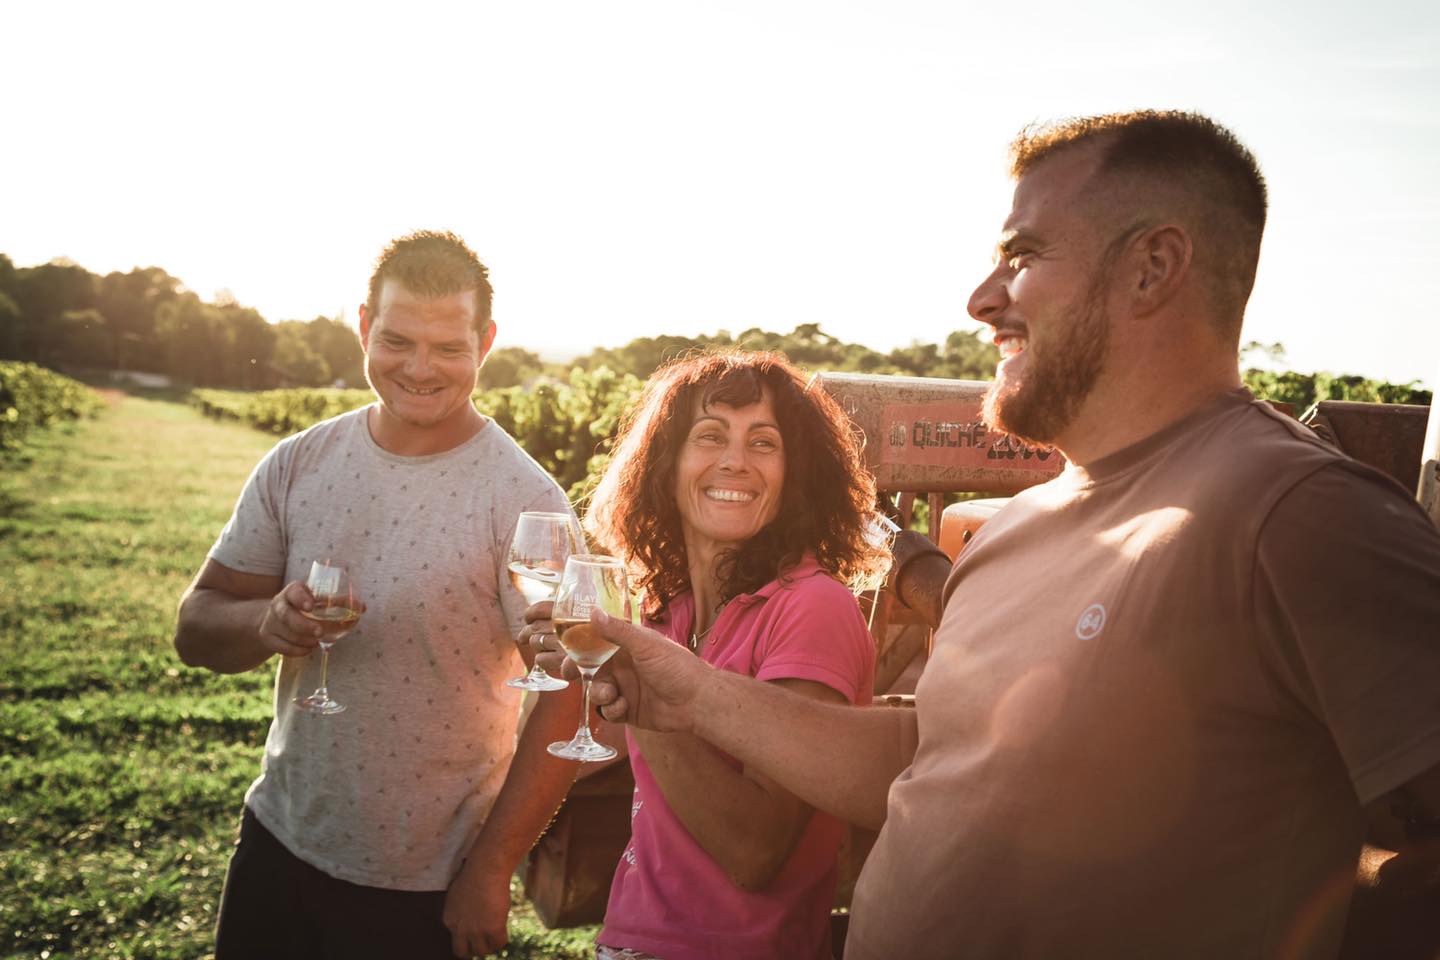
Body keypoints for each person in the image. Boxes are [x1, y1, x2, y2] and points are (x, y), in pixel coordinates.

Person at [584, 111, 1440, 959]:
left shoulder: (1297, 511)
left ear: (1154, 267)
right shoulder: (1017, 527)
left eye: (1023, 256)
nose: (982, 299)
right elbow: (934, 757)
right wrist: (688, 697)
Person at [173, 231, 584, 959]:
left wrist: (491, 870)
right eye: (396, 341)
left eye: (449, 348)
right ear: (364, 326)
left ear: (485, 342)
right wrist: (266, 622)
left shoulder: (524, 500)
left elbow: (569, 692)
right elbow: (196, 627)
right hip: (277, 842)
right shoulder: (299, 462)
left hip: (429, 882)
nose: (420, 369)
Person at [531, 351, 888, 959]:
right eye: (710, 435)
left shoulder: (810, 607)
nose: (734, 461)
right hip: (627, 939)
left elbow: (756, 852)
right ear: (664, 465)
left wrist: (643, 700)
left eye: (764, 442)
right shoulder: (666, 611)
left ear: (796, 472)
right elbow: (594, 754)